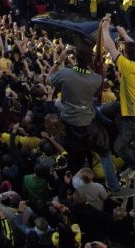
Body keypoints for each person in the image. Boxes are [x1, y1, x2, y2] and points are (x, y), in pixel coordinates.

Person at [48, 43, 125, 196]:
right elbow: (88, 73)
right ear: (90, 62)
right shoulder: (96, 79)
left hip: (68, 120)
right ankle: (114, 187)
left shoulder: (65, 73)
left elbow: (49, 79)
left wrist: (59, 60)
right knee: (104, 153)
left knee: (57, 103)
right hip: (87, 122)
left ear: (74, 58)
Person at [98, 17, 135, 177]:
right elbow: (134, 45)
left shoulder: (127, 66)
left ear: (126, 56)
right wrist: (123, 33)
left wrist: (105, 29)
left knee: (118, 148)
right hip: (128, 104)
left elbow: (110, 47)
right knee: (100, 111)